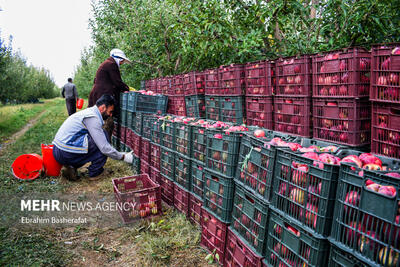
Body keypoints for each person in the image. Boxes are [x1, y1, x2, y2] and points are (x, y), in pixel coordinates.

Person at [52, 94, 133, 181]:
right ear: (102, 108)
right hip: (65, 153)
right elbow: (104, 148)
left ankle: (71, 167)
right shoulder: (92, 118)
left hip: (58, 150)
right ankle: (95, 172)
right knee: (103, 137)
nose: (110, 115)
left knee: (96, 137)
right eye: (110, 111)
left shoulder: (88, 112)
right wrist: (123, 157)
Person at [88, 49, 131, 137]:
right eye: (122, 61)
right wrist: (128, 89)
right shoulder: (111, 64)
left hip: (98, 93)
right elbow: (117, 81)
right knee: (104, 120)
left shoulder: (107, 63)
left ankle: (97, 140)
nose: (122, 63)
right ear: (120, 59)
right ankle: (102, 142)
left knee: (96, 117)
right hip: (102, 95)